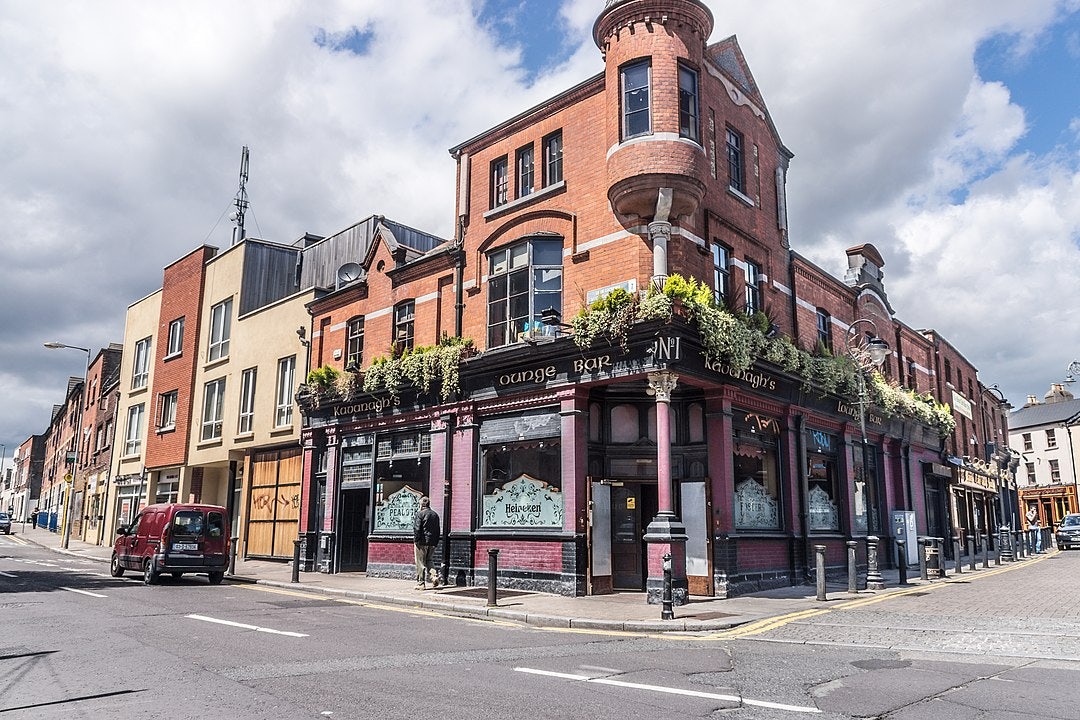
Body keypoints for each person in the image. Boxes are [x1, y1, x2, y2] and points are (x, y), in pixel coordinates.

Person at [413, 496, 441, 590]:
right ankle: (434, 577)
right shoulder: (435, 515)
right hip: (432, 542)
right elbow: (438, 530)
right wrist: (435, 542)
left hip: (422, 541)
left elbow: (417, 529)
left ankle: (421, 583)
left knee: (420, 562)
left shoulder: (420, 514)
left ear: (422, 504)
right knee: (429, 560)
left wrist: (416, 540)